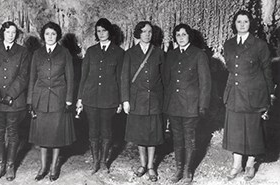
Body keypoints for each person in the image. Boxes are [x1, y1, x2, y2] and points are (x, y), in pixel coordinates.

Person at [219, 10, 274, 181]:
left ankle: (250, 164)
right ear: (234, 24)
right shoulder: (228, 44)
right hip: (234, 94)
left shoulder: (259, 45)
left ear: (251, 24)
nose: (242, 25)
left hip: (253, 94)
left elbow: (267, 71)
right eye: (239, 22)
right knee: (235, 129)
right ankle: (236, 165)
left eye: (246, 22)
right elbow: (229, 68)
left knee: (252, 130)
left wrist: (269, 95)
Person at [27, 21, 75, 182]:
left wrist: (69, 99)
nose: (50, 37)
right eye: (47, 34)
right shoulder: (37, 53)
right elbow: (32, 78)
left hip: (58, 99)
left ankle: (54, 167)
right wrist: (30, 101)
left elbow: (70, 77)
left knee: (56, 135)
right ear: (43, 36)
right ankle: (43, 167)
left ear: (58, 36)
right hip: (40, 99)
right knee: (42, 136)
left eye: (53, 34)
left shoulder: (65, 53)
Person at [164, 23, 211, 184]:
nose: (181, 37)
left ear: (189, 36)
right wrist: (166, 105)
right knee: (177, 138)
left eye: (184, 34)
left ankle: (188, 170)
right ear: (175, 38)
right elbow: (166, 81)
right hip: (174, 105)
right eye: (178, 35)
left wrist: (203, 105)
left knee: (189, 138)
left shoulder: (199, 55)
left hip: (191, 105)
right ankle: (178, 169)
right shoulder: (171, 55)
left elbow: (205, 83)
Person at [76, 18, 124, 174]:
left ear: (110, 32)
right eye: (99, 31)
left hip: (109, 99)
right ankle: (95, 161)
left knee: (107, 131)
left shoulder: (118, 52)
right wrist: (80, 99)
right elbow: (84, 77)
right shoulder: (91, 51)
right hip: (91, 98)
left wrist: (120, 101)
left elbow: (120, 78)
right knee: (93, 131)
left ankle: (104, 161)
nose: (101, 34)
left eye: (104, 30)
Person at [0, 21, 30, 181]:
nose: (11, 35)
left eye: (13, 32)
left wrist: (11, 94)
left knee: (12, 132)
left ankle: (10, 166)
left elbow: (23, 76)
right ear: (2, 33)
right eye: (8, 32)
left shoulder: (23, 52)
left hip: (14, 102)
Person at [121, 21, 164, 182]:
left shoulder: (158, 52)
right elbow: (124, 78)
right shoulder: (130, 53)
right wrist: (125, 100)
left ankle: (151, 166)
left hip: (154, 100)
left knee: (152, 133)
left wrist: (162, 100)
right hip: (136, 99)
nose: (147, 34)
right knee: (139, 133)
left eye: (150, 32)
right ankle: (143, 164)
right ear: (138, 34)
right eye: (144, 31)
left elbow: (163, 78)